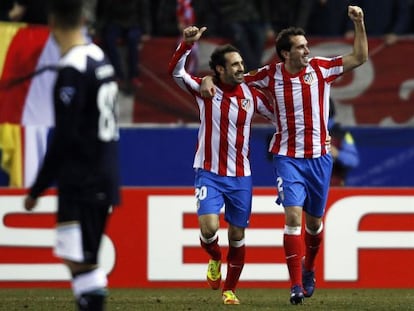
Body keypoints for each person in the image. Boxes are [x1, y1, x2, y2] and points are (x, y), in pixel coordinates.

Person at [201, 5, 368, 305]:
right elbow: (234, 81)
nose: (307, 51)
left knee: (313, 225)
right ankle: (295, 286)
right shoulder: (267, 75)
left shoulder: (321, 68)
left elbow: (359, 57)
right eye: (301, 48)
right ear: (284, 54)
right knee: (292, 217)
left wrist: (359, 23)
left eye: (306, 46)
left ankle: (308, 268)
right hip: (288, 157)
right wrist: (208, 80)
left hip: (319, 159)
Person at [23, 0, 120, 310]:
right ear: (83, 20)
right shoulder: (100, 59)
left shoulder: (72, 67)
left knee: (79, 260)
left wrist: (38, 187)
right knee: (81, 259)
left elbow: (64, 137)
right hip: (103, 173)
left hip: (81, 180)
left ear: (52, 22)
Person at [168, 26, 276, 305]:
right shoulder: (207, 90)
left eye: (241, 63)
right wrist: (187, 45)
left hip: (241, 176)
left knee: (237, 235)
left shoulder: (252, 96)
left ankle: (230, 290)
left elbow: (280, 119)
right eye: (235, 65)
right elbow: (176, 73)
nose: (242, 68)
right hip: (209, 172)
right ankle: (215, 256)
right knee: (208, 227)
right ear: (218, 70)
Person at [96, 0, 151, 93]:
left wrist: (146, 30)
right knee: (109, 38)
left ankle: (134, 76)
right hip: (115, 21)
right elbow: (103, 11)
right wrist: (99, 28)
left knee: (133, 38)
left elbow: (144, 12)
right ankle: (118, 75)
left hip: (133, 22)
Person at [328, 99, 360, 186]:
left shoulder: (344, 135)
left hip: (335, 188)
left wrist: (337, 154)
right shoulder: (307, 133)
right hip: (310, 187)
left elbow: (353, 160)